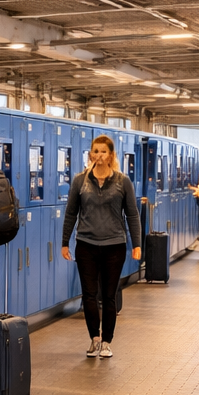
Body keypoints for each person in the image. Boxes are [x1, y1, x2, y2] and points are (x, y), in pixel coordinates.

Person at [61, 135, 143, 358]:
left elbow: (132, 214)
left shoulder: (122, 181)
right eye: (95, 151)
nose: (99, 156)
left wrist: (137, 244)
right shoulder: (80, 181)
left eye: (103, 152)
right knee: (89, 294)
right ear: (90, 155)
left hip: (114, 246)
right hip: (86, 245)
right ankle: (94, 339)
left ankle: (107, 341)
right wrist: (65, 242)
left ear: (111, 155)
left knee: (108, 295)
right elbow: (71, 213)